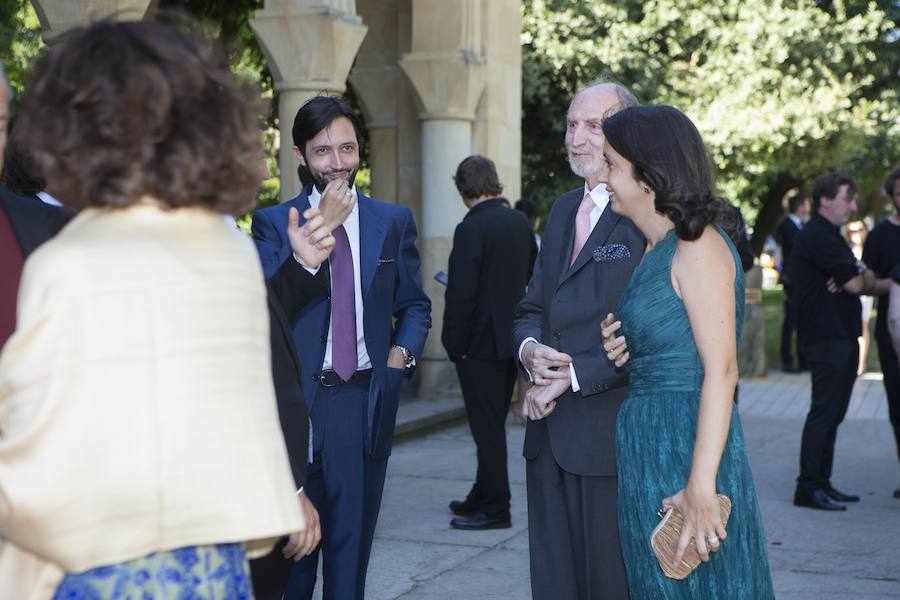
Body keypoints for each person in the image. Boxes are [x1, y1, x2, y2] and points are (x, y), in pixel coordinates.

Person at [0, 19, 316, 598]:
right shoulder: (227, 249)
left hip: (104, 565)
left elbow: (36, 446)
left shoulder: (69, 259)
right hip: (212, 562)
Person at [252, 95, 431, 600]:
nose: (337, 163)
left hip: (361, 401)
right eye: (323, 150)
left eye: (347, 148)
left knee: (349, 565)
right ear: (299, 155)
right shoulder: (273, 224)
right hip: (297, 409)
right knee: (293, 562)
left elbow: (415, 305)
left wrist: (400, 360)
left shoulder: (391, 221)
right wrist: (321, 226)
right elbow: (264, 313)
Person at [599, 104, 774, 599]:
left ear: (649, 175)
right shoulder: (656, 249)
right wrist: (629, 347)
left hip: (688, 442)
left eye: (612, 163)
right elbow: (676, 343)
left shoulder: (698, 245)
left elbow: (721, 371)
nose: (604, 175)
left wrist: (701, 485)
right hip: (647, 440)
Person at [512, 81, 643, 600]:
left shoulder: (646, 213)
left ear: (627, 133)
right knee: (554, 583)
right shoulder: (563, 209)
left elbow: (651, 331)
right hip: (547, 437)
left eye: (594, 125)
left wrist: (572, 374)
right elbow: (531, 308)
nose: (577, 137)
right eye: (572, 124)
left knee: (609, 584)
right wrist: (530, 353)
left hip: (609, 438)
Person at [442, 155, 536, 530]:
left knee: (487, 430)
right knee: (492, 423)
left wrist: (453, 341)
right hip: (510, 340)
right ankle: (482, 493)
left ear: (463, 188)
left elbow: (461, 294)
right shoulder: (519, 222)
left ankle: (496, 508)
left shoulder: (470, 228)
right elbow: (532, 274)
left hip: (478, 345)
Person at [791, 173, 891, 510]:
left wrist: (857, 274)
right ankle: (808, 486)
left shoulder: (829, 235)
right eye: (847, 199)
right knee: (825, 411)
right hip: (826, 336)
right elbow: (854, 283)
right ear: (825, 200)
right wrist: (857, 276)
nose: (853, 206)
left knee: (833, 412)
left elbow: (856, 276)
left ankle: (821, 481)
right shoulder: (818, 235)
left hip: (839, 334)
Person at [862, 165, 900, 498]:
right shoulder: (879, 236)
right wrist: (894, 282)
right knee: (898, 405)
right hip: (892, 332)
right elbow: (868, 283)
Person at [777, 193, 811, 372]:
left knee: (802, 321)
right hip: (793, 279)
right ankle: (787, 358)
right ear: (800, 207)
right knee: (791, 320)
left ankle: (803, 359)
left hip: (802, 279)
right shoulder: (787, 226)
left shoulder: (800, 225)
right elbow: (797, 247)